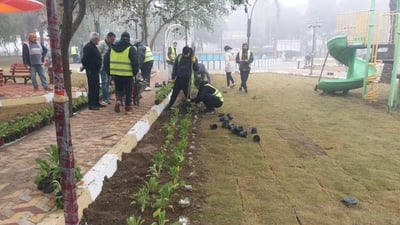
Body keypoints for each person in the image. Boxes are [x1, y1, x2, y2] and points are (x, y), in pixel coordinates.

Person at [104, 31, 139, 113]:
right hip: (127, 74)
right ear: (128, 39)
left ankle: (118, 100)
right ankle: (127, 107)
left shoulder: (112, 47)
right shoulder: (130, 48)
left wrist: (109, 72)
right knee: (128, 91)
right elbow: (135, 62)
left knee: (118, 89)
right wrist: (134, 72)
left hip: (115, 73)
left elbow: (105, 60)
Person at [81, 32, 104, 110]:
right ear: (95, 39)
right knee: (92, 87)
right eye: (98, 39)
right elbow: (85, 59)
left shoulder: (94, 46)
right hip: (91, 70)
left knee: (96, 86)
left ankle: (96, 102)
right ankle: (92, 104)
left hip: (95, 70)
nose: (99, 40)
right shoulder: (88, 47)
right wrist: (87, 66)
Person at [98, 32, 116, 104]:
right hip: (103, 66)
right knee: (104, 82)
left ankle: (107, 96)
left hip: (109, 66)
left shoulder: (111, 45)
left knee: (108, 82)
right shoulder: (102, 44)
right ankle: (105, 98)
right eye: (112, 39)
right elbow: (98, 54)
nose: (113, 41)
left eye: (114, 39)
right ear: (108, 37)